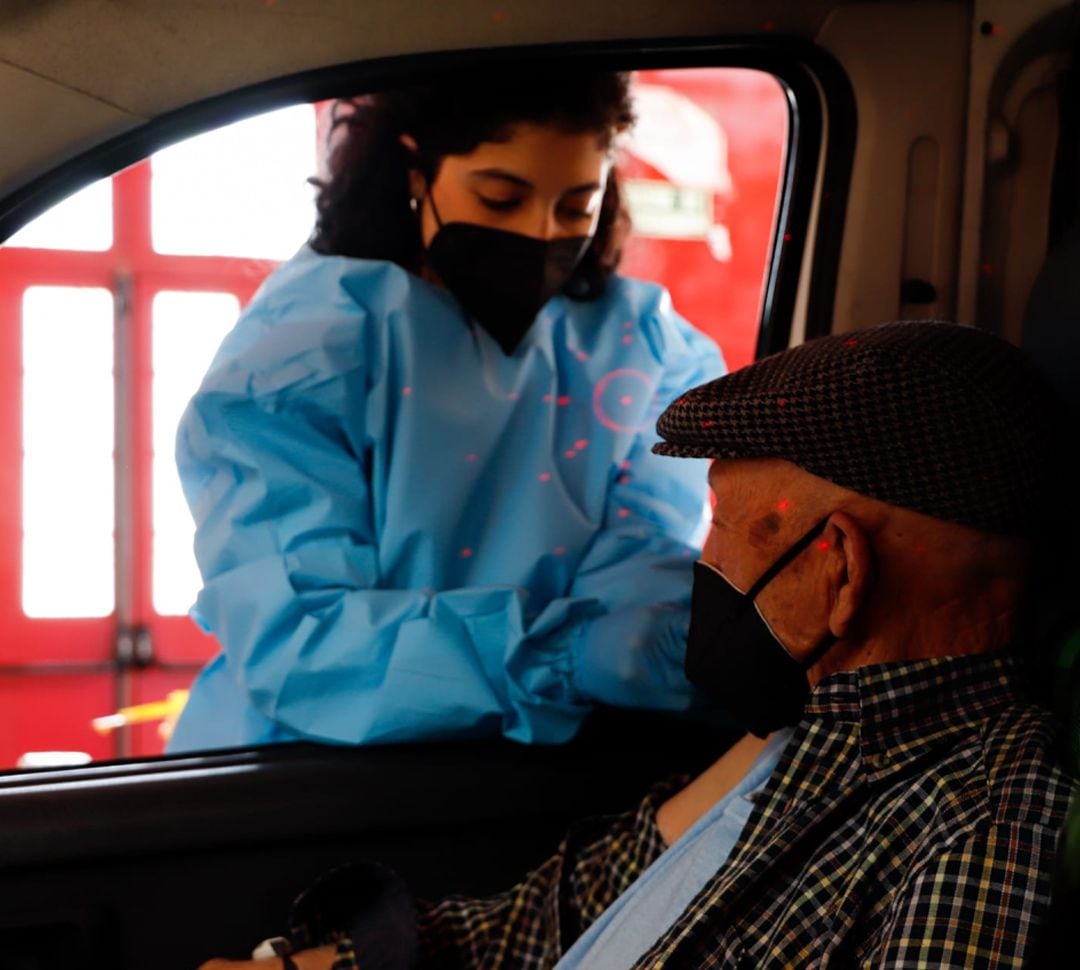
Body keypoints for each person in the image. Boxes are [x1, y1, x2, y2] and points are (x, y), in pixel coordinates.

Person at [198, 320, 1075, 969]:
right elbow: (576, 904)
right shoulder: (801, 730)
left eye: (726, 531)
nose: (702, 566)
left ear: (838, 568)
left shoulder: (981, 834)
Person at [167, 68, 724, 752]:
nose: (539, 234)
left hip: (559, 772)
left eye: (575, 207)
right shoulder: (304, 353)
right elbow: (298, 633)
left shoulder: (648, 351)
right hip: (313, 774)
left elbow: (647, 567)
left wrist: (634, 640)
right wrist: (558, 656)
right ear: (414, 168)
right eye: (499, 198)